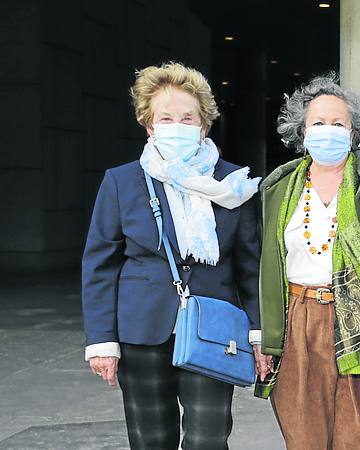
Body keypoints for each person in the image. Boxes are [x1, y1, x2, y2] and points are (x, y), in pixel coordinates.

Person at [82, 62, 268, 449]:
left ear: (204, 125)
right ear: (149, 126)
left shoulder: (234, 184)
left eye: (187, 117)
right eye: (166, 118)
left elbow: (251, 266)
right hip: (142, 327)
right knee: (150, 438)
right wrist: (102, 341)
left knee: (209, 436)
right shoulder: (121, 180)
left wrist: (258, 332)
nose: (177, 126)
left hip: (214, 326)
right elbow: (100, 264)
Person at [254, 73, 360, 450]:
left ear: (353, 133)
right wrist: (267, 341)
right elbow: (267, 269)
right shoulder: (278, 190)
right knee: (304, 437)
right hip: (298, 322)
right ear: (302, 131)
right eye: (318, 123)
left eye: (338, 124)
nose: (327, 131)